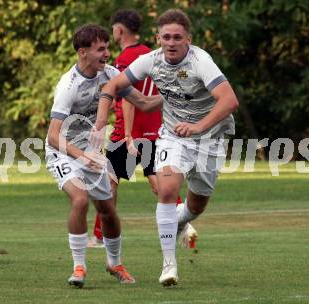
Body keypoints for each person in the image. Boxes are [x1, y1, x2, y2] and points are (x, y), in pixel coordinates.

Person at [93, 9, 239, 287]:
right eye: (166, 37)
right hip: (173, 137)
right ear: (158, 38)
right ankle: (169, 265)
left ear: (188, 39)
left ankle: (181, 221)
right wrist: (103, 121)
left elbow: (229, 101)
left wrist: (198, 127)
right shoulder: (150, 60)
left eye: (177, 37)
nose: (171, 43)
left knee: (196, 206)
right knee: (168, 190)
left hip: (209, 138)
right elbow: (114, 84)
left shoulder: (201, 62)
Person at [45, 24, 161, 288]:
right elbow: (53, 135)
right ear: (82, 52)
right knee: (80, 200)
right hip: (63, 151)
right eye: (101, 49)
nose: (107, 53)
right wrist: (81, 156)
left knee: (108, 210)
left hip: (89, 153)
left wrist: (176, 95)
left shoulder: (110, 74)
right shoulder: (68, 85)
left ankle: (115, 263)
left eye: (108, 47)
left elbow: (143, 102)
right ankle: (79, 267)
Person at [87, 9, 192, 249]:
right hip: (156, 127)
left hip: (129, 130)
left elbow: (128, 99)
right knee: (158, 183)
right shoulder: (152, 53)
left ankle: (101, 236)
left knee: (108, 182)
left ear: (119, 29)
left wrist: (127, 134)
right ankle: (183, 221)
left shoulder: (125, 59)